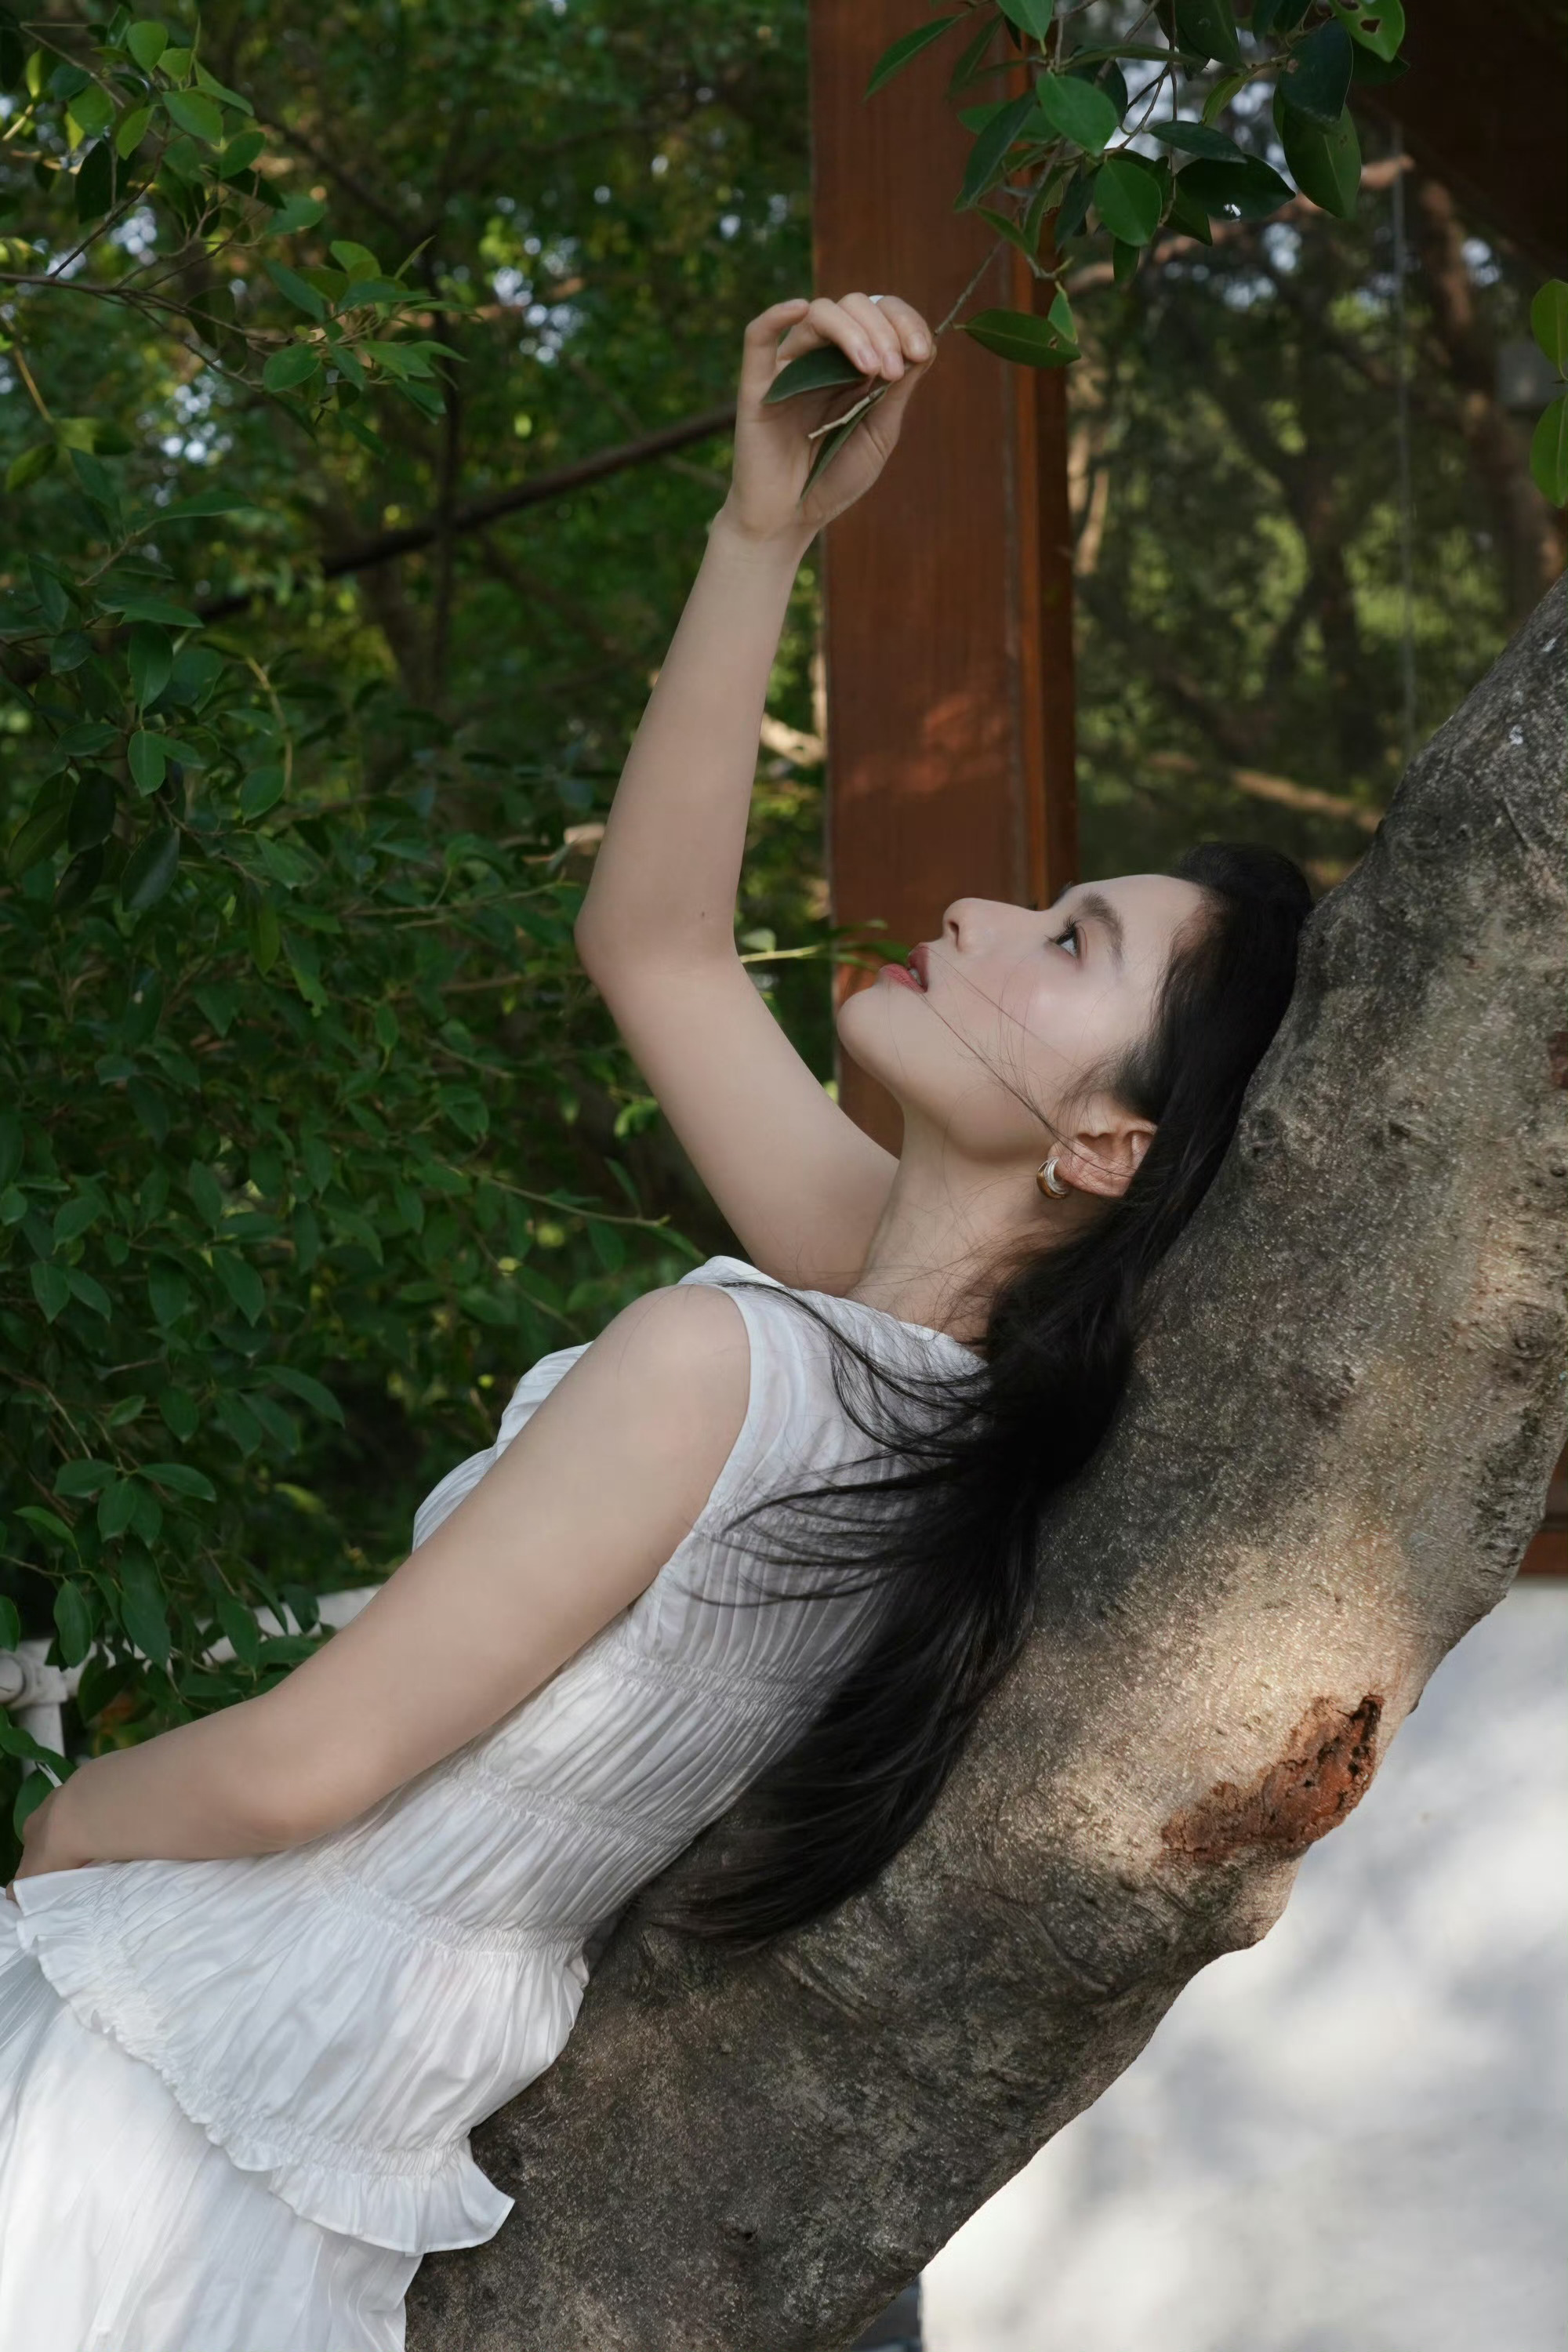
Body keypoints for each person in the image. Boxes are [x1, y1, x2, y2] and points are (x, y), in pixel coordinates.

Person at [0, 292, 1313, 2350]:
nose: (973, 913)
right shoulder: (913, 1384)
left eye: (1068, 944)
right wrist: (761, 530)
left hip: (194, 2032)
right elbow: (660, 945)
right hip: (337, 2105)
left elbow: (303, 1767)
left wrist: (60, 1834)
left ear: (1109, 1146)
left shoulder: (738, 1363)